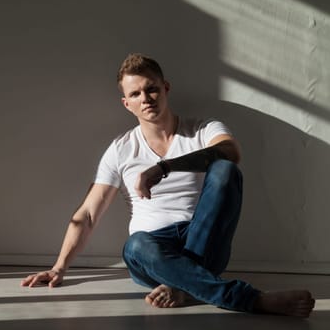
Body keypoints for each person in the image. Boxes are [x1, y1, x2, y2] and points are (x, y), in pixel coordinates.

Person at [21, 53, 315, 317]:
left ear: (166, 88)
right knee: (137, 244)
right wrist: (59, 267)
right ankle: (249, 299)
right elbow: (87, 214)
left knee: (225, 170)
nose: (146, 98)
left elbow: (232, 153)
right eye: (135, 94)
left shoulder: (202, 129)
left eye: (151, 88)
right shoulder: (121, 149)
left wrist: (165, 167)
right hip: (151, 251)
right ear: (127, 104)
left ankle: (185, 286)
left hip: (202, 242)